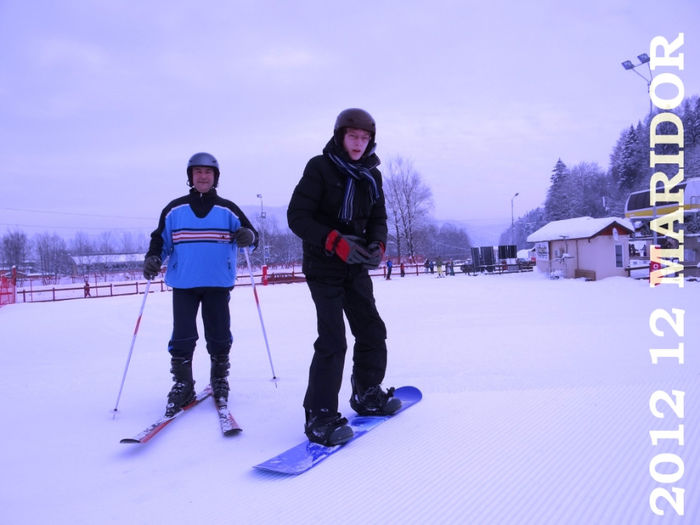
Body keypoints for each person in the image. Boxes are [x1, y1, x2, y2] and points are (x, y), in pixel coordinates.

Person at [287, 108, 401, 447]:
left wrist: (376, 244)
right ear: (340, 136)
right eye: (353, 137)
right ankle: (319, 415)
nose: (359, 144)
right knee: (333, 338)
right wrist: (333, 241)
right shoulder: (319, 168)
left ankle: (366, 392)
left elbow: (378, 216)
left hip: (355, 266)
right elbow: (297, 217)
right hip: (323, 267)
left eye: (365, 138)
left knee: (371, 328)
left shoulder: (371, 175)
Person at [143, 152, 258, 417]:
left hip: (218, 282)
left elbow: (252, 237)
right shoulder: (174, 210)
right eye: (197, 172)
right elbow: (160, 241)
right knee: (182, 335)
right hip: (184, 283)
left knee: (219, 334)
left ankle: (219, 380)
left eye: (208, 172)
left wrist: (247, 235)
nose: (203, 176)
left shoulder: (228, 209)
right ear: (190, 177)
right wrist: (153, 258)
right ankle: (183, 384)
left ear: (215, 177)